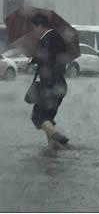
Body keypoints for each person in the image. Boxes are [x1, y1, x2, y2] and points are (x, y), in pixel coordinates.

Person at [29, 12, 70, 149]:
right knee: (47, 117)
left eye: (34, 27)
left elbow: (47, 58)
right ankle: (53, 147)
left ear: (40, 25)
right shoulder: (57, 37)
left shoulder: (48, 38)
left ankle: (58, 137)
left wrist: (33, 59)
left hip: (50, 85)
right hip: (59, 84)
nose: (34, 31)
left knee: (38, 116)